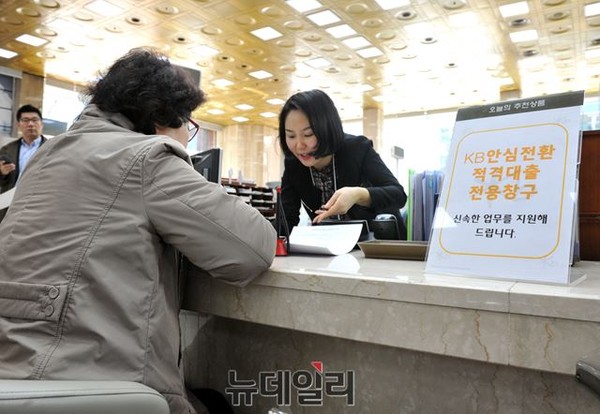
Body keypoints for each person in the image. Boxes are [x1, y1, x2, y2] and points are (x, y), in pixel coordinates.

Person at [0, 48, 277, 414]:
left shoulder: (45, 157)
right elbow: (253, 249)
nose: (187, 137)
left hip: (15, 376)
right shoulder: (147, 157)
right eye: (188, 126)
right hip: (99, 386)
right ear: (162, 117)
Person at [278, 89, 408, 239]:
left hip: (376, 243)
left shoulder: (357, 148)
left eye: (308, 134)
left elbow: (398, 195)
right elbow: (286, 219)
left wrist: (358, 195)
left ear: (327, 128)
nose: (299, 145)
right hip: (328, 244)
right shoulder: (293, 163)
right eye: (291, 136)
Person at [0, 104, 47, 221]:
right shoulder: (6, 149)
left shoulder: (53, 148)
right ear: (18, 124)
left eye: (34, 120)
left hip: (39, 203)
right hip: (10, 203)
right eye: (25, 120)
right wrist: (2, 173)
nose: (30, 124)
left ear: (41, 123)